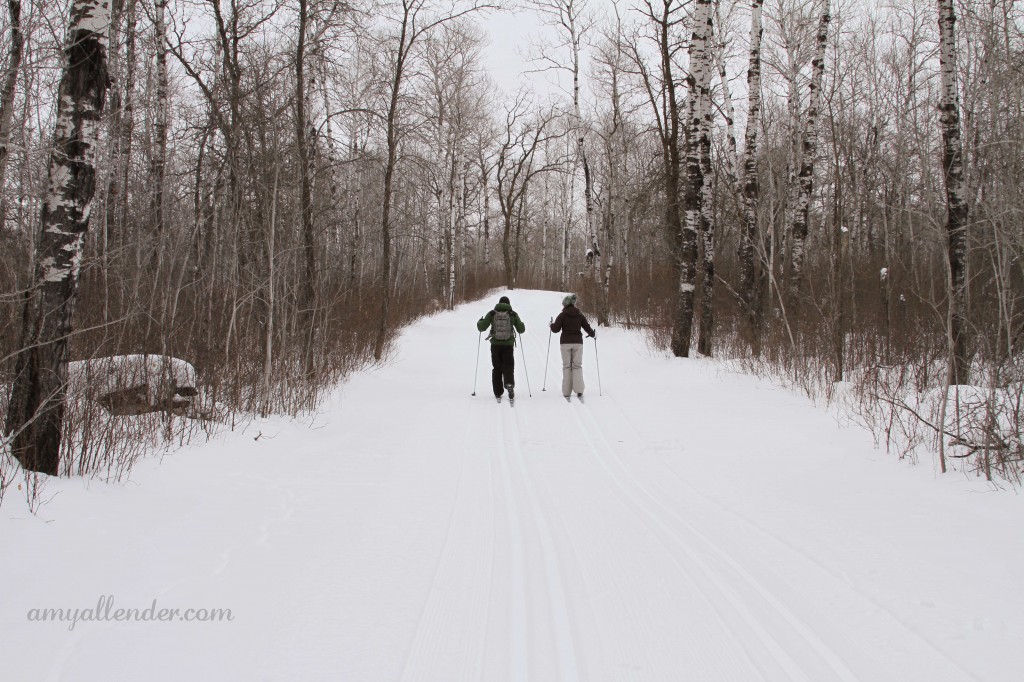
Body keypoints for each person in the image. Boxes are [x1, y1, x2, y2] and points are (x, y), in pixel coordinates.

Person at [477, 295, 526, 401]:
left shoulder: (492, 313)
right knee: (508, 366)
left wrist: (479, 321)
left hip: (495, 345)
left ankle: (498, 392)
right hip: (508, 345)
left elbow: (482, 327)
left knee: (497, 368)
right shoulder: (512, 314)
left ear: (499, 303)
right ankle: (509, 384)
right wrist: (521, 324)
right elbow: (521, 329)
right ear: (508, 304)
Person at [549, 293, 595, 401]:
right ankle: (579, 390)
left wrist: (551, 324)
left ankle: (566, 392)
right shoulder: (579, 315)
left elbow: (555, 329)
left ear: (565, 304)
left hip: (565, 343)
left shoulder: (562, 315)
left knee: (567, 366)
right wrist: (593, 334)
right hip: (578, 343)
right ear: (573, 303)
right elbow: (587, 327)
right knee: (577, 366)